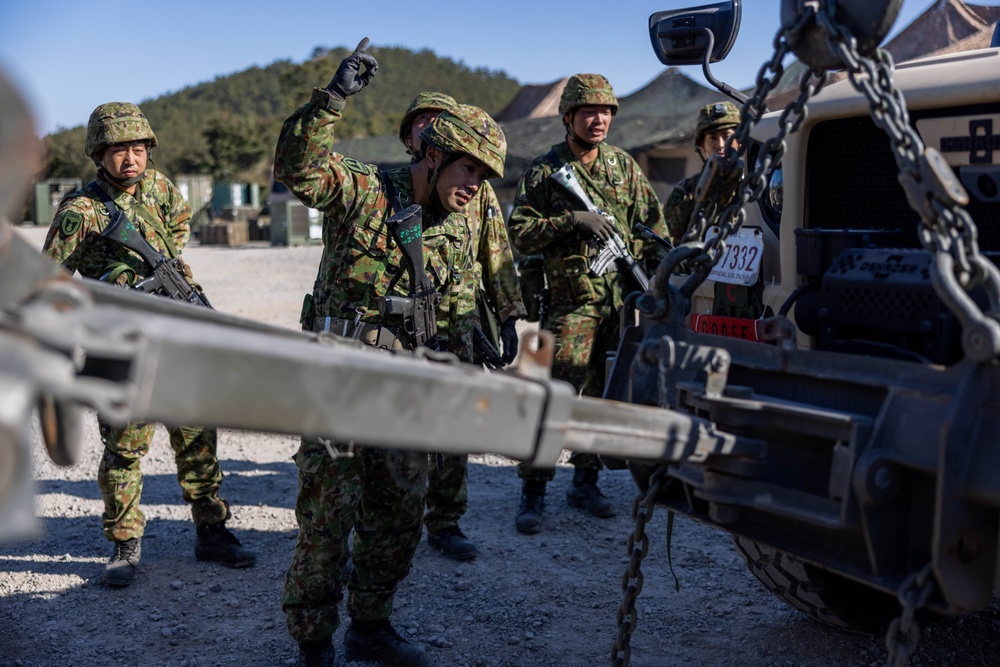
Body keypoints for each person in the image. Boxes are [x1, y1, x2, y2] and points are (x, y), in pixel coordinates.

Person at [275, 40, 518, 667]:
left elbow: (452, 310)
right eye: (468, 170)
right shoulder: (363, 189)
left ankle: (371, 624)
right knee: (329, 518)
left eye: (484, 178)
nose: (475, 186)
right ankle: (313, 640)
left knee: (399, 518)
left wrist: (488, 338)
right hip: (340, 383)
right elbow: (298, 170)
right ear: (433, 155)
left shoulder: (459, 222)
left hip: (409, 394)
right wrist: (330, 101)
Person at [43, 102, 256, 588]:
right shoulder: (81, 211)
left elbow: (176, 235)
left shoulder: (161, 189)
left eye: (138, 148)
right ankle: (124, 543)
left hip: (177, 334)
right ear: (99, 154)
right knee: (123, 446)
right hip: (119, 343)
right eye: (119, 150)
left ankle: (212, 530)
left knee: (198, 436)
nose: (131, 159)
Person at [507, 74, 668, 534]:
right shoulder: (544, 170)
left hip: (618, 305)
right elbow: (519, 232)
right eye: (589, 112)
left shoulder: (623, 167)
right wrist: (569, 220)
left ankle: (586, 480)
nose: (599, 119)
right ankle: (533, 489)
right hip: (569, 306)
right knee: (553, 398)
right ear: (568, 118)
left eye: (606, 112)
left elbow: (652, 227)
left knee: (601, 396)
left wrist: (661, 275)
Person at [396, 91, 526, 562]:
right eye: (421, 122)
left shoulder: (476, 187)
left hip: (459, 326)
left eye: (437, 121)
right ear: (412, 135)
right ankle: (391, 523)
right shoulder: (396, 189)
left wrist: (509, 314)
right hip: (404, 333)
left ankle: (446, 522)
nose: (427, 128)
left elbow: (498, 254)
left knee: (453, 432)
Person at [663, 101, 741, 247]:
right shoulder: (686, 192)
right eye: (712, 138)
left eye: (727, 136)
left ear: (739, 141)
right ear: (702, 145)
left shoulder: (755, 187)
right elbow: (670, 245)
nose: (720, 144)